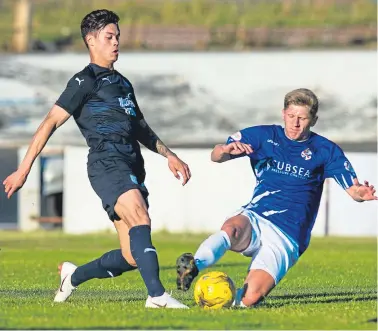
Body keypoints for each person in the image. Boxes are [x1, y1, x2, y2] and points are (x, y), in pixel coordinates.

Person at [3, 9, 191, 309]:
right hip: (106, 163)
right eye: (109, 37)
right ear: (91, 41)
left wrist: (170, 155)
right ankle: (157, 296)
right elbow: (49, 122)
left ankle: (73, 276)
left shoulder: (123, 84)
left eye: (117, 36)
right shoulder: (84, 81)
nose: (116, 42)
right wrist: (23, 170)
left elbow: (140, 127)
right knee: (140, 216)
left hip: (131, 163)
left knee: (131, 256)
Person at [176, 88, 377, 307]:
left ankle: (223, 300)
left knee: (249, 299)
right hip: (257, 216)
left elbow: (353, 189)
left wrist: (362, 194)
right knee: (232, 228)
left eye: (302, 118)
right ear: (283, 114)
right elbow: (216, 156)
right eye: (291, 116)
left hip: (288, 234)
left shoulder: (325, 150)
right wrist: (224, 150)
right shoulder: (263, 136)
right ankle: (194, 265)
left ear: (314, 120)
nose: (295, 123)